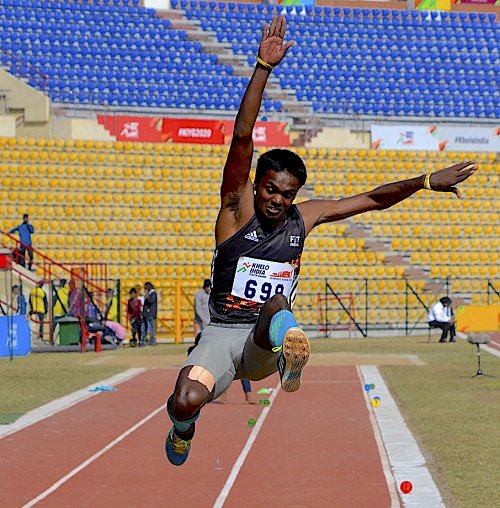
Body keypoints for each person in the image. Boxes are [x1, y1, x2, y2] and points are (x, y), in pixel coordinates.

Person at [164, 15, 477, 466]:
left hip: (264, 340)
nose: (276, 200)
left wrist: (426, 179)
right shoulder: (235, 212)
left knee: (276, 304)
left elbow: (371, 198)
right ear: (257, 184)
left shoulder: (303, 219)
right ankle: (182, 427)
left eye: (286, 194)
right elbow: (241, 139)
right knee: (185, 398)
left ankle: (292, 354)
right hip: (220, 333)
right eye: (270, 189)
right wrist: (261, 68)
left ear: (296, 195)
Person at [143, 282, 157, 346]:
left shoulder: (153, 294)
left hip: (150, 314)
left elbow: (151, 301)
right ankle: (144, 341)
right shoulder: (149, 294)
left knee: (151, 328)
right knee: (144, 328)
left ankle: (152, 341)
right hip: (146, 314)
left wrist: (147, 295)